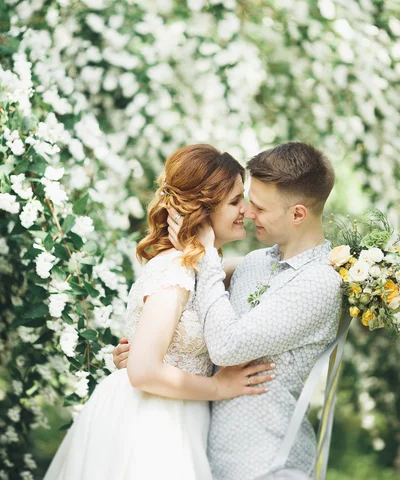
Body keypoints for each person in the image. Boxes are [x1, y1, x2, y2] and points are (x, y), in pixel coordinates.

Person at [44, 144, 275, 480]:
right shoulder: (175, 272)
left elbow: (266, 267)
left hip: (176, 414)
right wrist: (220, 387)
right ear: (203, 210)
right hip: (152, 420)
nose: (246, 210)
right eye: (235, 201)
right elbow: (143, 372)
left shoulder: (202, 269)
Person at [114, 142, 342, 480]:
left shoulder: (319, 283)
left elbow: (227, 346)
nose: (249, 213)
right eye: (243, 201)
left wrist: (205, 258)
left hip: (264, 464)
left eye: (259, 207)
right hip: (194, 448)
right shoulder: (252, 264)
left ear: (297, 214)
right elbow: (187, 297)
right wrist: (146, 353)